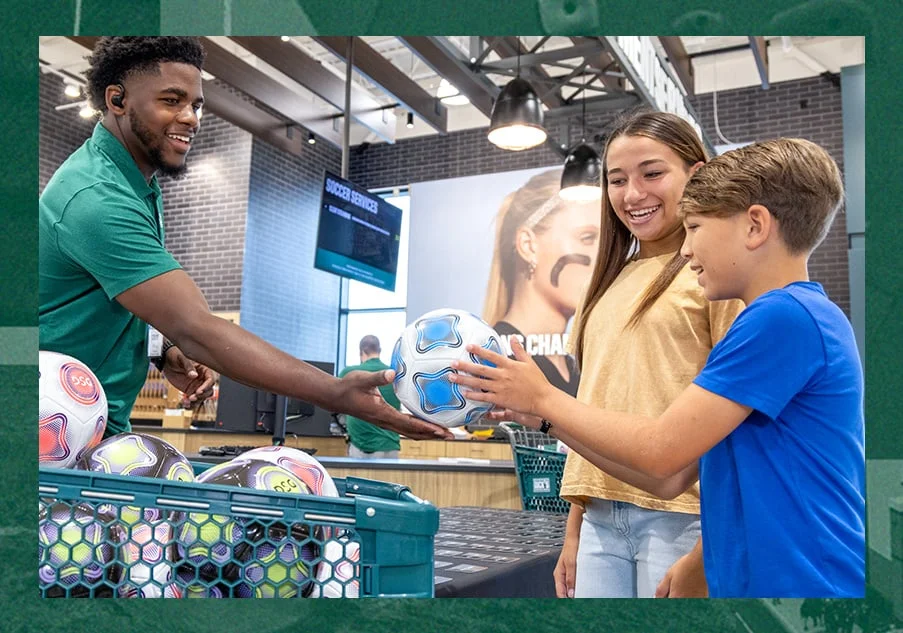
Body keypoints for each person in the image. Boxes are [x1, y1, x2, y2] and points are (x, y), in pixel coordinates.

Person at [451, 137, 865, 598]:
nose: (685, 250)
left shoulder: (780, 319)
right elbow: (669, 477)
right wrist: (546, 417)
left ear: (755, 226)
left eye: (695, 227)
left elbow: (662, 451)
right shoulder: (783, 318)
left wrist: (544, 398)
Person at [39, 37, 452, 443]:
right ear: (117, 100)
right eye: (172, 100)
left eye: (196, 105)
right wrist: (336, 393)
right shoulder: (96, 197)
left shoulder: (136, 185)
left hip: (90, 428)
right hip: (51, 431)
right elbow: (196, 328)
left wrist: (162, 352)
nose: (191, 118)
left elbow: (112, 301)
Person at [482, 169, 601, 397]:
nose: (601, 258)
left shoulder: (575, 368)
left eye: (604, 243)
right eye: (587, 238)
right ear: (528, 245)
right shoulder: (494, 359)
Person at [339, 335, 402, 459]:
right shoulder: (395, 375)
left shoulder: (349, 373)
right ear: (380, 350)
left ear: (361, 352)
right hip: (390, 445)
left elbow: (336, 402)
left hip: (362, 446)